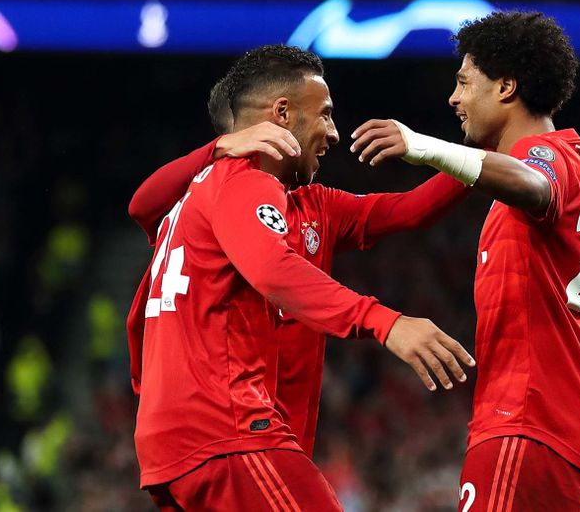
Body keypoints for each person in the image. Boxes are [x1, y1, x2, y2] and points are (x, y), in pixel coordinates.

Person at [125, 45, 474, 511]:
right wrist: (385, 322)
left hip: (184, 441)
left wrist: (478, 152)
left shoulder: (265, 200)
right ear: (282, 114)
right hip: (226, 428)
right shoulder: (240, 181)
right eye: (325, 114)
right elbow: (275, 270)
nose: (333, 132)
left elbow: (407, 210)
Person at [352, 11, 580, 511]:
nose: (453, 98)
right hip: (559, 413)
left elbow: (533, 185)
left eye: (464, 82)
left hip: (533, 415)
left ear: (506, 87)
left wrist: (423, 145)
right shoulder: (563, 161)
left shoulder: (546, 156)